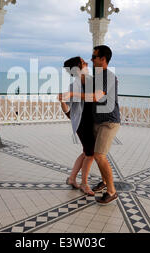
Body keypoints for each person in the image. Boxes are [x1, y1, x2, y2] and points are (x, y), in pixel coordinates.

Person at [58, 57, 96, 196]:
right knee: (90, 154)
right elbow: (68, 110)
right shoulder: (73, 87)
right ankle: (84, 184)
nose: (87, 63)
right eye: (83, 62)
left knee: (87, 152)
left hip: (92, 123)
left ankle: (72, 178)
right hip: (82, 123)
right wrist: (62, 101)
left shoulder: (92, 81)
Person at [89, 45, 121, 205]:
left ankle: (112, 191)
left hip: (109, 122)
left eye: (94, 56)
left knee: (99, 155)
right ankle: (104, 181)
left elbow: (96, 97)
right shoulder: (98, 76)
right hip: (99, 121)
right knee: (98, 154)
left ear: (103, 59)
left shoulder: (108, 76)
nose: (91, 59)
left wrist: (73, 94)